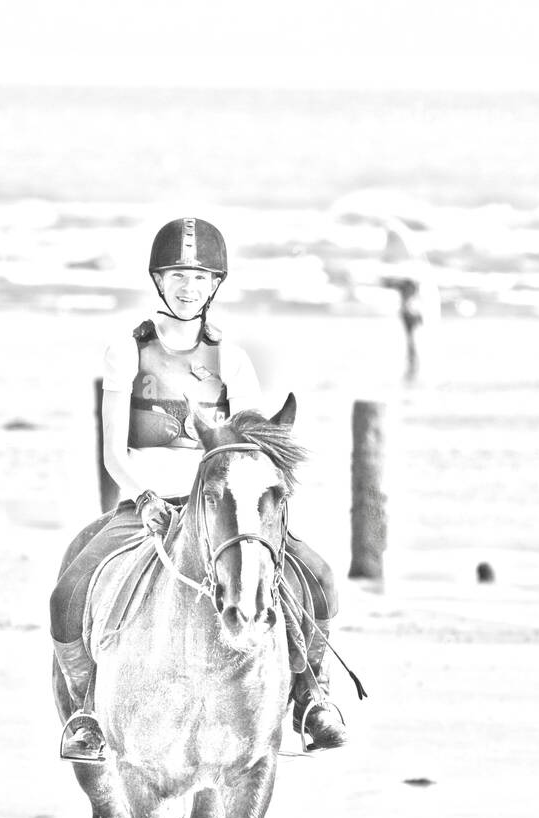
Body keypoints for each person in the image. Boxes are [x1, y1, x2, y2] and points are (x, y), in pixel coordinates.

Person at [50, 216, 347, 761]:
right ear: (159, 281)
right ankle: (87, 711)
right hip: (148, 503)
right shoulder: (126, 351)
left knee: (320, 579)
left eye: (201, 277)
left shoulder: (232, 360)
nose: (189, 287)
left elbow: (247, 447)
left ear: (215, 286)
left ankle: (309, 695)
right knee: (68, 594)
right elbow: (115, 452)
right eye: (178, 275)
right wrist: (145, 498)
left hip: (223, 508)